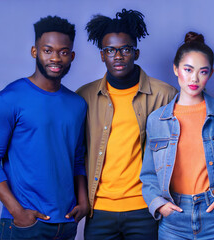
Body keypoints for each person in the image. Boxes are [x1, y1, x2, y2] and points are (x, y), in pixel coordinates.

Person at [0, 16, 88, 239]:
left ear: (72, 56)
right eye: (47, 50)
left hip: (67, 222)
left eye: (63, 52)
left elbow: (77, 159)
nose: (56, 58)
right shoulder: (8, 98)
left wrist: (83, 201)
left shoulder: (77, 104)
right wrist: (17, 212)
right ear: (34, 52)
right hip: (25, 224)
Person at [76, 9, 177, 239]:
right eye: (110, 50)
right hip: (99, 210)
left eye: (125, 49)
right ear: (102, 55)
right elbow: (75, 156)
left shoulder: (164, 95)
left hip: (145, 208)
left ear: (136, 52)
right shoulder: (84, 97)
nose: (118, 55)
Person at [140, 32, 214, 239]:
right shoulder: (156, 120)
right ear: (176, 69)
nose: (195, 78)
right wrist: (159, 205)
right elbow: (149, 174)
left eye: (202, 72)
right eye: (188, 70)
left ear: (211, 73)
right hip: (173, 219)